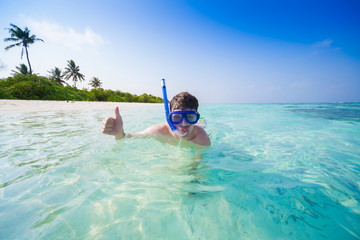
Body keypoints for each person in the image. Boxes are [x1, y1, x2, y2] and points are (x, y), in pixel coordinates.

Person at [102, 92, 211, 146]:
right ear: (169, 117)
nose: (183, 123)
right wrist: (119, 134)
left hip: (198, 127)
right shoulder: (159, 130)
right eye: (177, 117)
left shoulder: (201, 137)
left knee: (202, 125)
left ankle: (201, 121)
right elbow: (132, 137)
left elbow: (196, 167)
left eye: (190, 117)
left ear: (196, 117)